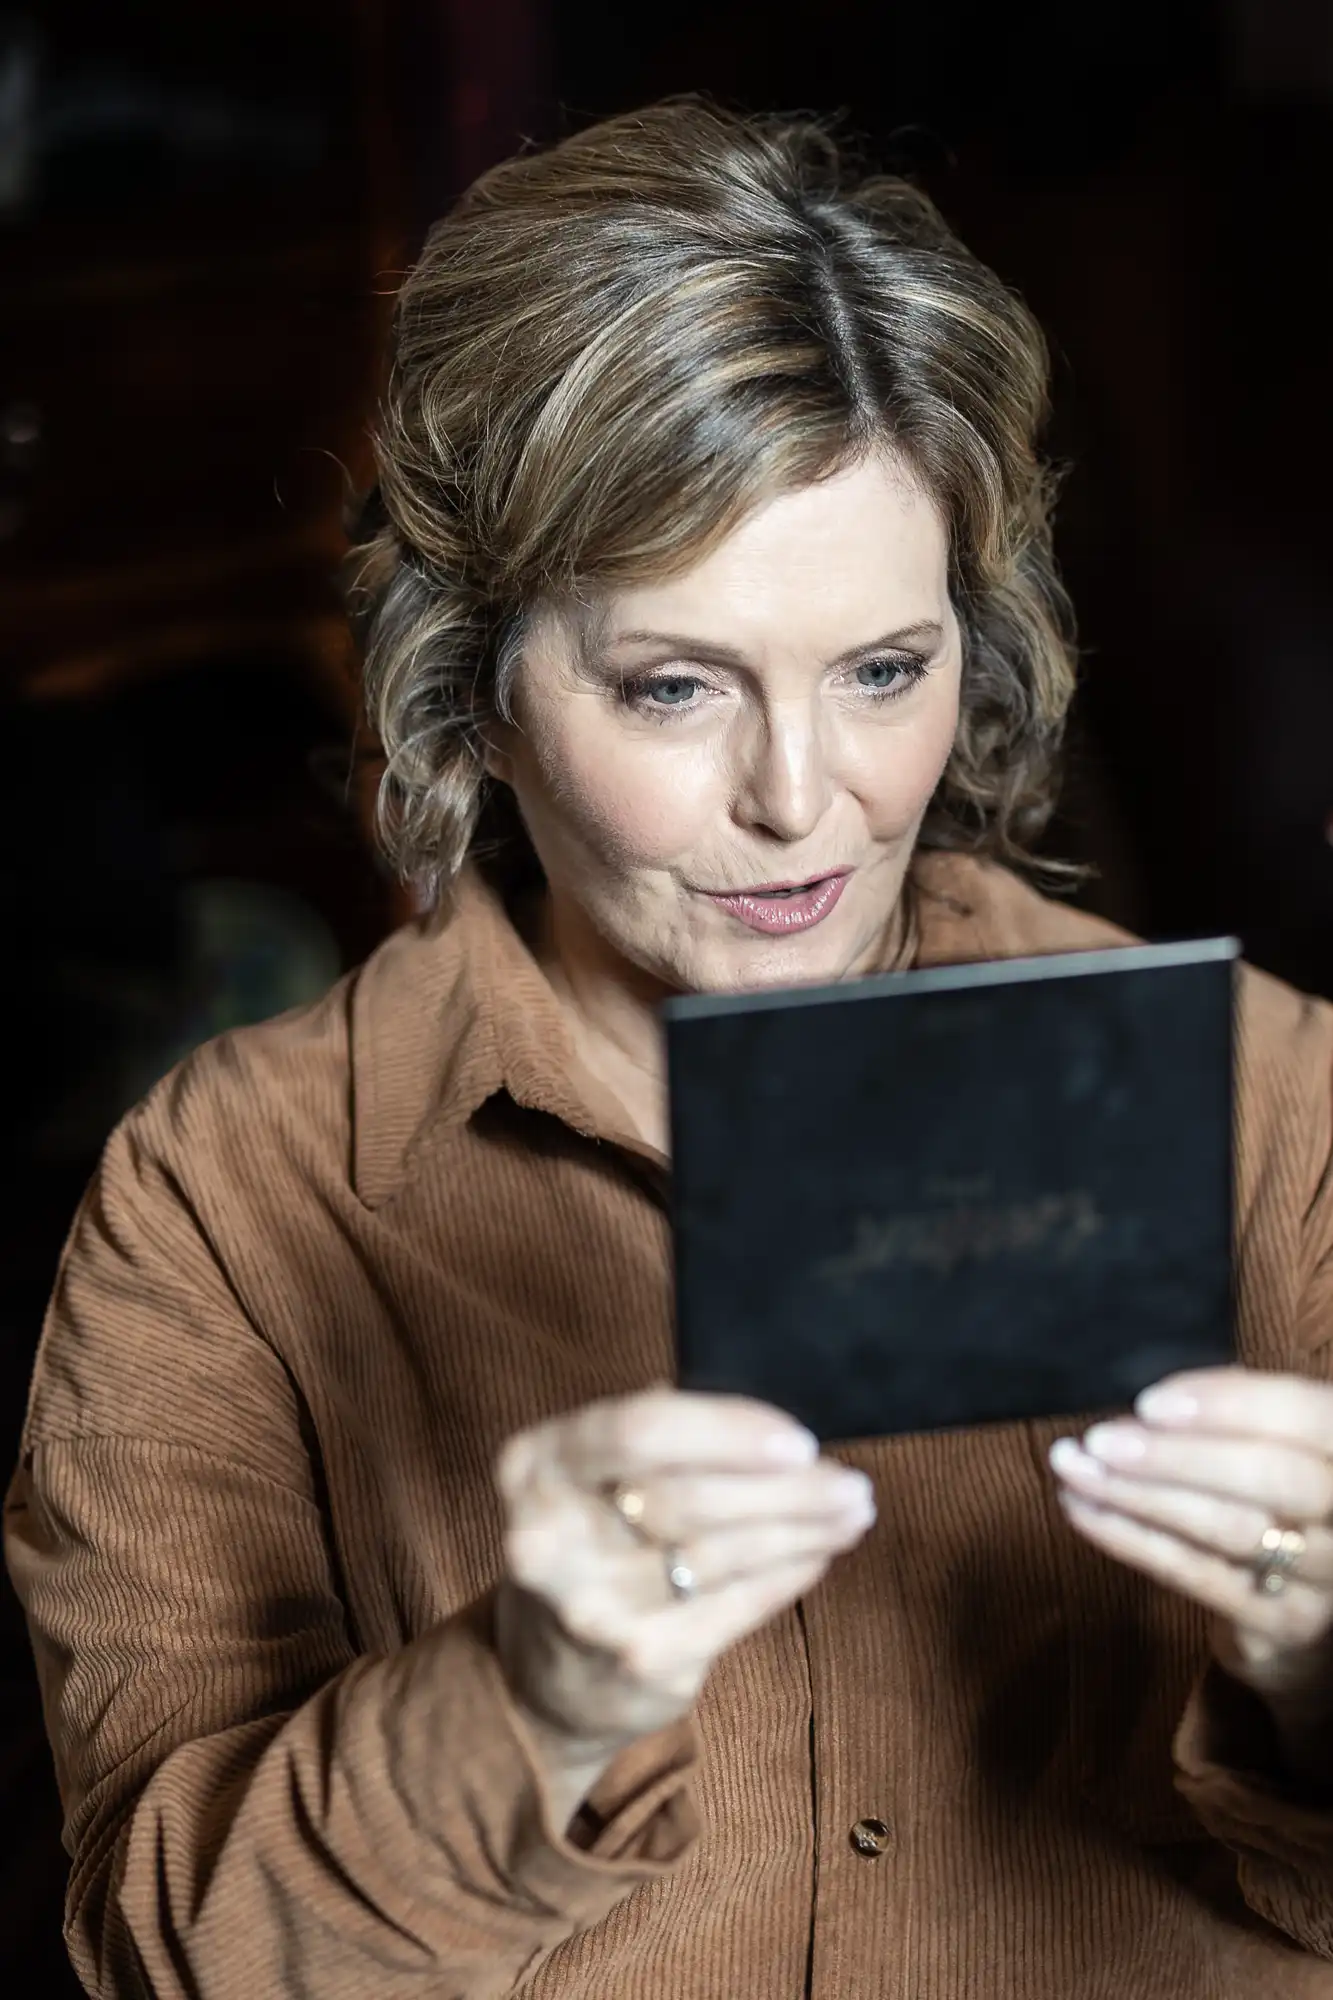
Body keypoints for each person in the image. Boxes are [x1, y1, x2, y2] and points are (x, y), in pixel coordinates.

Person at [6, 97, 1333, 2000]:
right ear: (470, 685)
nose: (805, 801)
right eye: (673, 686)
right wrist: (523, 1705)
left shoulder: (1275, 1108)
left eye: (883, 670)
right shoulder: (232, 1202)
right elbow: (171, 1963)